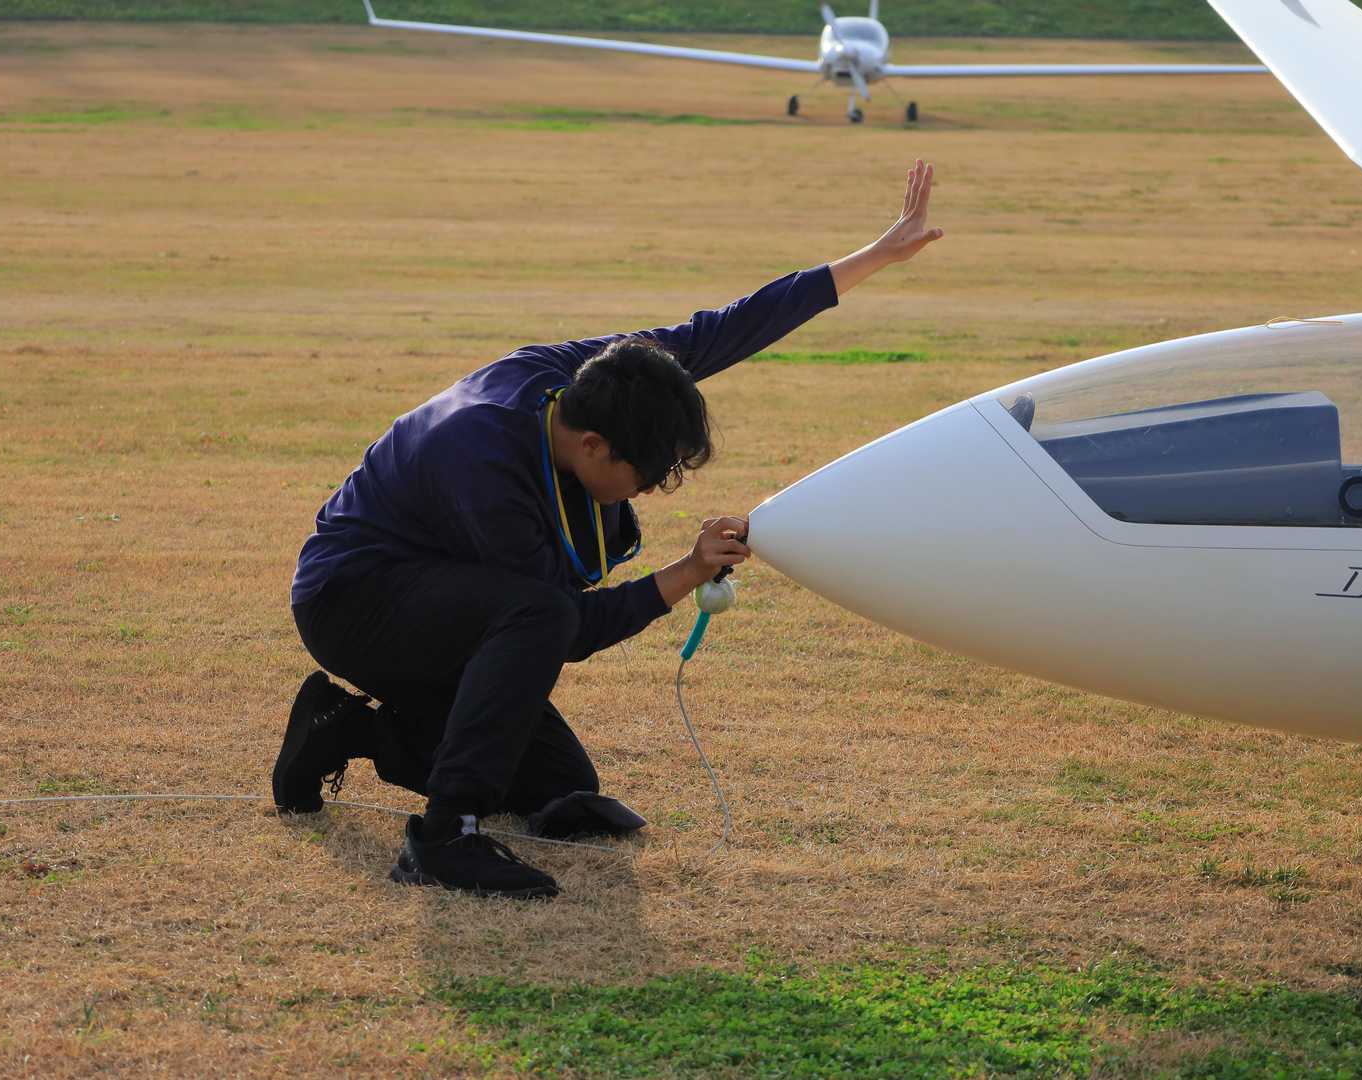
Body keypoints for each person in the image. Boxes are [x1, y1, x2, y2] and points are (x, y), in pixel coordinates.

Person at [275, 160, 943, 898]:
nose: (650, 491)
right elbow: (565, 627)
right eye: (647, 475)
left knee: (561, 785)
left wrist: (877, 255)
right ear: (594, 447)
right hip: (354, 602)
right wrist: (687, 571)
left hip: (440, 596)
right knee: (537, 617)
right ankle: (443, 839)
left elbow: (719, 332)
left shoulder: (590, 378)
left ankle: (345, 729)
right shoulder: (484, 466)